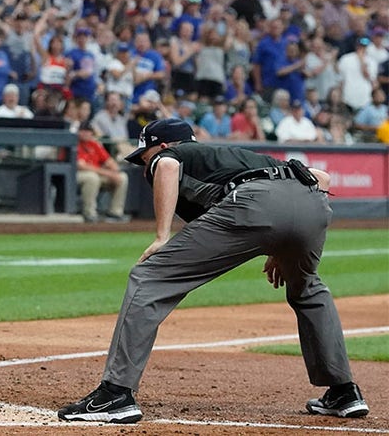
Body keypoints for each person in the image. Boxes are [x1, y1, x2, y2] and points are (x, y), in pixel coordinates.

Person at [58, 118, 369, 424]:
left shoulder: (172, 156)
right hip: (311, 202)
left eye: (144, 156)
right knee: (307, 288)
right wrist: (283, 248)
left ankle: (115, 393)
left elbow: (166, 167)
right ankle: (344, 391)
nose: (144, 164)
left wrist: (161, 237)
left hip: (255, 202)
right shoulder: (232, 156)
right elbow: (321, 178)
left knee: (150, 276)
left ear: (163, 145)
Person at [74, 122, 128, 223]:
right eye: (83, 131)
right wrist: (108, 173)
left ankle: (115, 212)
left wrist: (114, 170)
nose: (86, 133)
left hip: (98, 174)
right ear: (78, 132)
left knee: (122, 177)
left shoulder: (94, 144)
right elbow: (82, 166)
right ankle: (89, 213)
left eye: (88, 131)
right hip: (76, 175)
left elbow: (109, 161)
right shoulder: (75, 144)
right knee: (92, 177)